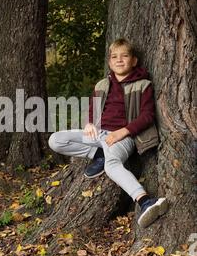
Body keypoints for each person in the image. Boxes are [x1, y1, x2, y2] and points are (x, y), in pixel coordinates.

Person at [48, 38, 168, 228]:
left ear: (134, 61)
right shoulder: (102, 85)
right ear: (110, 62)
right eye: (114, 57)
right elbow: (93, 111)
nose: (119, 60)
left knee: (112, 165)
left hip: (123, 137)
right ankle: (98, 155)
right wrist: (89, 124)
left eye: (125, 56)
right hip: (99, 135)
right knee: (56, 140)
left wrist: (122, 132)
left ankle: (145, 201)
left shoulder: (143, 84)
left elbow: (147, 116)